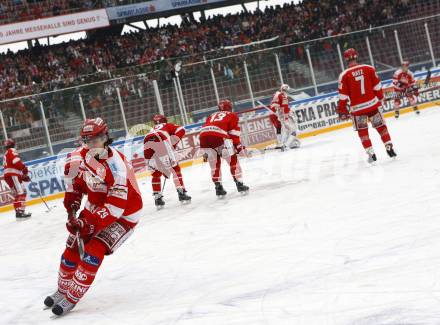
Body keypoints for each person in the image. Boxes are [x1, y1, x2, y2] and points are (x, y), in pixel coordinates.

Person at [44, 118, 143, 316]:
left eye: (95, 140)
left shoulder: (117, 166)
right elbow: (74, 185)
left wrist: (89, 224)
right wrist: (72, 207)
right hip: (96, 205)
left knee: (93, 249)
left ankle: (72, 297)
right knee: (72, 244)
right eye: (87, 141)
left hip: (125, 213)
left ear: (106, 137)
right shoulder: (77, 157)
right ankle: (63, 290)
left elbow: (116, 207)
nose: (91, 145)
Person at [337, 48, 397, 163]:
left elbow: (343, 97)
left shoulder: (344, 75)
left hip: (358, 109)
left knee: (363, 131)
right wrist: (381, 98)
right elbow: (377, 87)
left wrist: (342, 110)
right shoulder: (369, 68)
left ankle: (371, 153)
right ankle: (389, 146)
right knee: (381, 127)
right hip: (373, 105)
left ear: (345, 59)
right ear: (356, 56)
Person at [199, 99, 249, 198]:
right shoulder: (232, 115)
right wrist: (239, 148)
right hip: (219, 136)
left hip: (203, 137)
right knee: (233, 160)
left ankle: (218, 187)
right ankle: (239, 184)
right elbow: (233, 134)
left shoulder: (211, 115)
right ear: (230, 107)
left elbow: (208, 131)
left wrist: (205, 153)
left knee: (214, 165)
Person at [143, 114, 191, 209]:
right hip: (162, 139)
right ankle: (181, 193)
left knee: (156, 173)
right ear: (164, 120)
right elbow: (182, 129)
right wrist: (173, 143)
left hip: (147, 140)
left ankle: (157, 198)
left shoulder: (152, 129)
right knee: (175, 169)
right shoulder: (167, 125)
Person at [2, 138, 31, 219]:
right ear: (13, 144)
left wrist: (21, 176)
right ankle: (20, 212)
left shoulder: (6, 153)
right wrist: (24, 169)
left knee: (18, 194)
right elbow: (16, 161)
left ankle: (18, 211)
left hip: (9, 176)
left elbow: (11, 164)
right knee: (21, 193)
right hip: (13, 175)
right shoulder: (12, 150)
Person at [269, 84, 300, 150]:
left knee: (280, 129)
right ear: (285, 90)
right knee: (294, 131)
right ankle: (285, 145)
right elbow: (285, 108)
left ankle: (280, 143)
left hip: (273, 114)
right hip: (280, 115)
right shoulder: (283, 96)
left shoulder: (276, 94)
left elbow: (274, 105)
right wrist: (286, 118)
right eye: (288, 90)